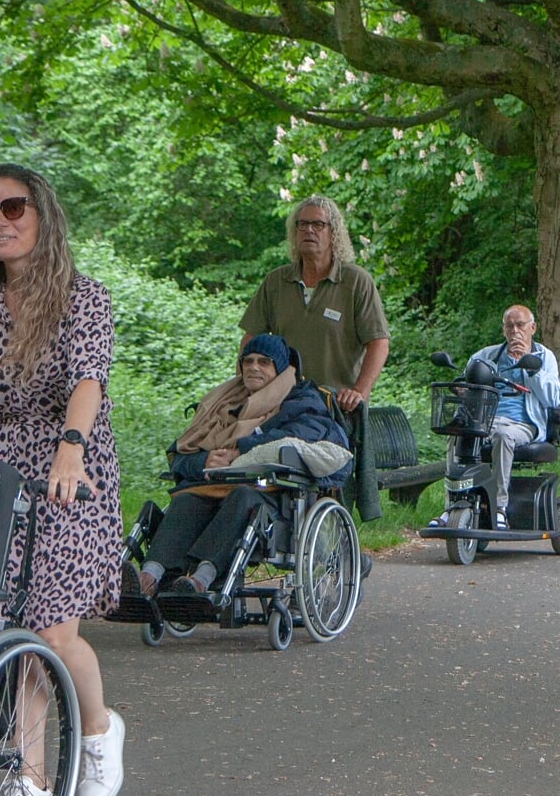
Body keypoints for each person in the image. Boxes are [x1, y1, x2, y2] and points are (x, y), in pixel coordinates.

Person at [0, 163, 126, 796]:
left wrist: (69, 450)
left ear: (41, 216)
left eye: (13, 208)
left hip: (70, 465)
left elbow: (88, 379)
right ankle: (31, 774)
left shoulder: (82, 296)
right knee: (9, 626)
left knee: (51, 631)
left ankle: (97, 728)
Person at [139, 335, 352, 599]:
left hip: (274, 496)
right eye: (248, 361)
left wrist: (241, 450)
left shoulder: (302, 401)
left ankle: (200, 581)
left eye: (264, 362)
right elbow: (181, 454)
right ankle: (149, 576)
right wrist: (203, 461)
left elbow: (300, 437)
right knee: (187, 500)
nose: (253, 367)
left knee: (242, 497)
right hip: (214, 489)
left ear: (281, 368)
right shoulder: (222, 404)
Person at [239, 194, 391, 413]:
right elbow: (250, 339)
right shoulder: (276, 282)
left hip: (336, 408)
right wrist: (242, 387)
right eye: (303, 224)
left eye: (318, 224)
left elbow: (378, 343)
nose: (309, 230)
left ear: (333, 233)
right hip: (282, 406)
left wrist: (358, 392)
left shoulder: (355, 281)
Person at [467, 305, 560, 530]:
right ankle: (454, 504)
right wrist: (464, 389)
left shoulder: (543, 357)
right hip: (487, 420)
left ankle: (499, 507)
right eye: (509, 326)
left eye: (520, 325)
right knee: (458, 434)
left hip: (523, 424)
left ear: (533, 328)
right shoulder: (487, 355)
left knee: (503, 435)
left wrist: (532, 368)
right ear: (503, 330)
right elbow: (467, 379)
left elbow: (554, 399)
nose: (515, 331)